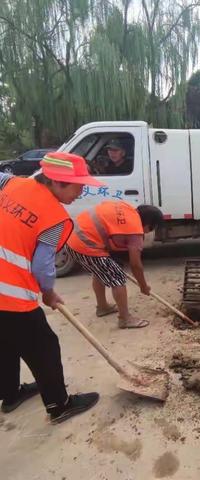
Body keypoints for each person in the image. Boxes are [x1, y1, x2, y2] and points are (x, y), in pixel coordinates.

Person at [0, 152, 103, 423]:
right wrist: (48, 292)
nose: (81, 193)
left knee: (5, 342)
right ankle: (59, 405)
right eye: (78, 186)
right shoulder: (55, 218)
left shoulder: (10, 183)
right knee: (44, 346)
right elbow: (43, 266)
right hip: (9, 295)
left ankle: (9, 395)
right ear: (57, 181)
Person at [66, 200, 163, 329]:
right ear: (149, 224)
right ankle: (125, 319)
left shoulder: (125, 207)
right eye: (151, 228)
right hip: (85, 244)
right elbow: (135, 264)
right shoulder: (135, 230)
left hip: (71, 238)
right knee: (117, 277)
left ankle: (103, 307)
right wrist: (143, 286)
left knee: (99, 271)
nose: (147, 232)